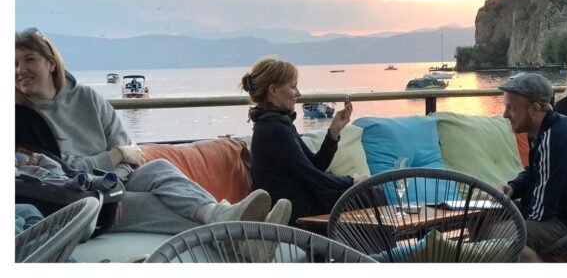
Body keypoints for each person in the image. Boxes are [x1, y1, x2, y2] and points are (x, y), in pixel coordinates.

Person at [15, 28, 272, 235]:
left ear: (50, 63)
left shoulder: (87, 98)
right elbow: (61, 171)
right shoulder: (21, 119)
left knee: (158, 167)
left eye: (29, 59)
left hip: (116, 180)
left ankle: (224, 215)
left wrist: (117, 172)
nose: (20, 70)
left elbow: (130, 151)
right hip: (79, 198)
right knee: (159, 206)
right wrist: (115, 157)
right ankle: (250, 232)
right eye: (13, 63)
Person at [499, 72, 567, 262]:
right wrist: (513, 188)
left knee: (498, 233)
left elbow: (540, 212)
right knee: (488, 220)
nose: (505, 115)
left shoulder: (553, 138)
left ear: (534, 109)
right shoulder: (556, 127)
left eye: (511, 108)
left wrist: (505, 212)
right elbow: (534, 171)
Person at [243, 56, 356, 224]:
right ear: (273, 90)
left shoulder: (278, 124)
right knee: (369, 195)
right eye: (293, 86)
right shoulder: (274, 131)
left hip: (304, 205)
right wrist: (353, 181)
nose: (298, 93)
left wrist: (334, 131)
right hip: (295, 216)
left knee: (367, 195)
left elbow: (315, 165)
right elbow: (313, 176)